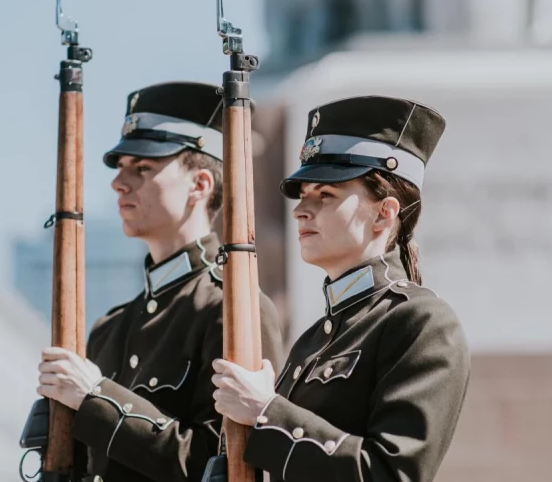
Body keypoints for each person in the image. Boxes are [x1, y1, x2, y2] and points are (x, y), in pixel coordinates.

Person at [211, 95, 471, 481]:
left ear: (384, 213)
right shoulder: (315, 339)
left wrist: (267, 412)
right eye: (303, 195)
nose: (301, 210)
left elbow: (391, 473)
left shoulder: (422, 323)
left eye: (326, 194)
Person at [35, 81, 285, 482]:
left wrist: (96, 397)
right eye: (120, 169)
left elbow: (215, 462)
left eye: (143, 168)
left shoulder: (232, 309)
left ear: (199, 185)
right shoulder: (110, 327)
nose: (120, 183)